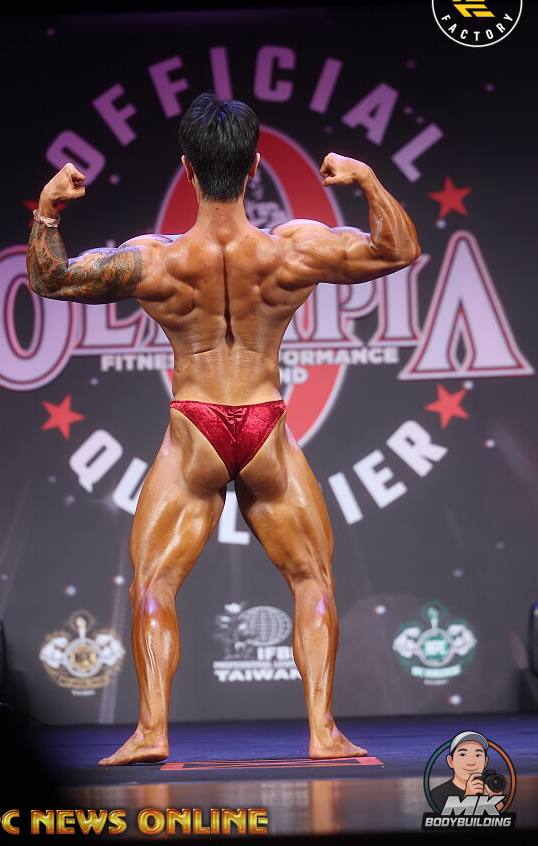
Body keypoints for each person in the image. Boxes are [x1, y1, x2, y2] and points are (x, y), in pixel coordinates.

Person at [26, 92, 420, 765]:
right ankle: (323, 732)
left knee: (153, 585)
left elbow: (51, 278)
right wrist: (367, 180)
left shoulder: (155, 260)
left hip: (195, 429)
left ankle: (151, 732)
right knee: (312, 581)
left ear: (186, 168)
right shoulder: (293, 250)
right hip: (265, 425)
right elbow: (399, 249)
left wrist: (47, 208)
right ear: (255, 165)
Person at [430, 731, 506, 812]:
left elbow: (504, 818)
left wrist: (496, 800)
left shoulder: (490, 788)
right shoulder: (438, 794)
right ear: (450, 761)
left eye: (478, 755)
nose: (471, 762)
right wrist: (468, 798)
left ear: (485, 761)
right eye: (463, 754)